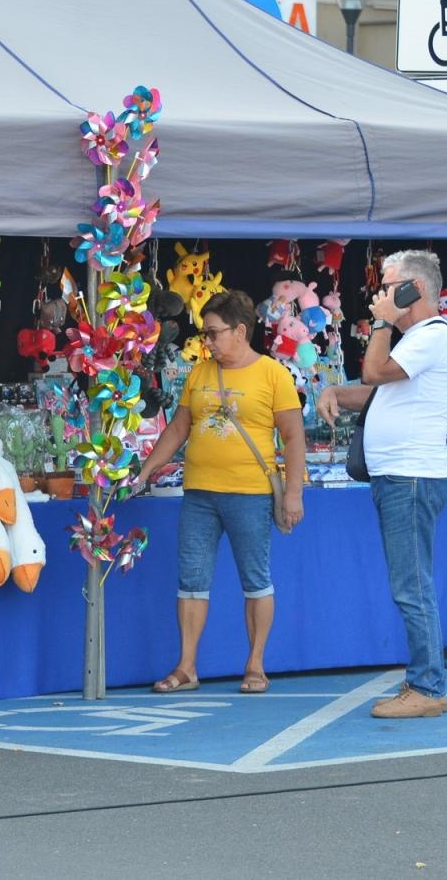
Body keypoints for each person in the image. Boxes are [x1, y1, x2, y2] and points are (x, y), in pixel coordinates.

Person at [136, 289, 306, 695]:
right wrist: (146, 470)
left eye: (213, 333)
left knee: (255, 580)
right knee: (191, 581)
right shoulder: (200, 372)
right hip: (199, 494)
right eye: (205, 334)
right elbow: (178, 428)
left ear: (240, 331)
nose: (206, 342)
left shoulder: (272, 374)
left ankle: (255, 664)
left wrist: (293, 493)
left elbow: (294, 436)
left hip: (249, 493)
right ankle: (187, 667)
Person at [318, 250, 447, 719]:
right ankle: (422, 680)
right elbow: (379, 391)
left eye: (388, 286)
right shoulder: (419, 339)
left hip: (409, 478)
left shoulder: (431, 336)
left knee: (412, 586)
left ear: (413, 290)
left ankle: (427, 686)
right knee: (410, 583)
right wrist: (335, 391)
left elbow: (374, 372)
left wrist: (381, 323)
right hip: (400, 477)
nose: (380, 294)